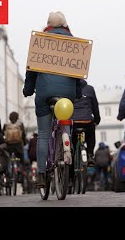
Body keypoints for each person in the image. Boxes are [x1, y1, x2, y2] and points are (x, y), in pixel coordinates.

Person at [23, 11, 82, 187]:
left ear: (48, 24)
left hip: (44, 94)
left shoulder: (40, 42)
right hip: (67, 95)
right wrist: (77, 92)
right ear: (65, 25)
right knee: (66, 127)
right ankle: (66, 146)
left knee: (43, 134)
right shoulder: (74, 43)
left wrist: (28, 90)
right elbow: (78, 73)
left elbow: (31, 71)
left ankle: (41, 174)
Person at [70, 79, 101, 165]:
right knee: (91, 136)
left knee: (73, 141)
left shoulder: (68, 88)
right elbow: (95, 106)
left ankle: (72, 159)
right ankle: (90, 155)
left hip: (73, 121)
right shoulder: (90, 89)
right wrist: (97, 120)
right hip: (87, 120)